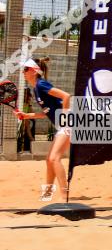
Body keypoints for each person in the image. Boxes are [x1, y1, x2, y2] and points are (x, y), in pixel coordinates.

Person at [17, 58, 72, 202]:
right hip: (64, 125)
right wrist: (27, 115)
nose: (23, 72)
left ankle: (64, 197)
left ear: (34, 71)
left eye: (26, 69)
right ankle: (47, 194)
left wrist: (65, 119)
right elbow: (46, 112)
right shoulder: (36, 89)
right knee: (49, 160)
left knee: (54, 159)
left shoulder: (41, 85)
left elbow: (66, 96)